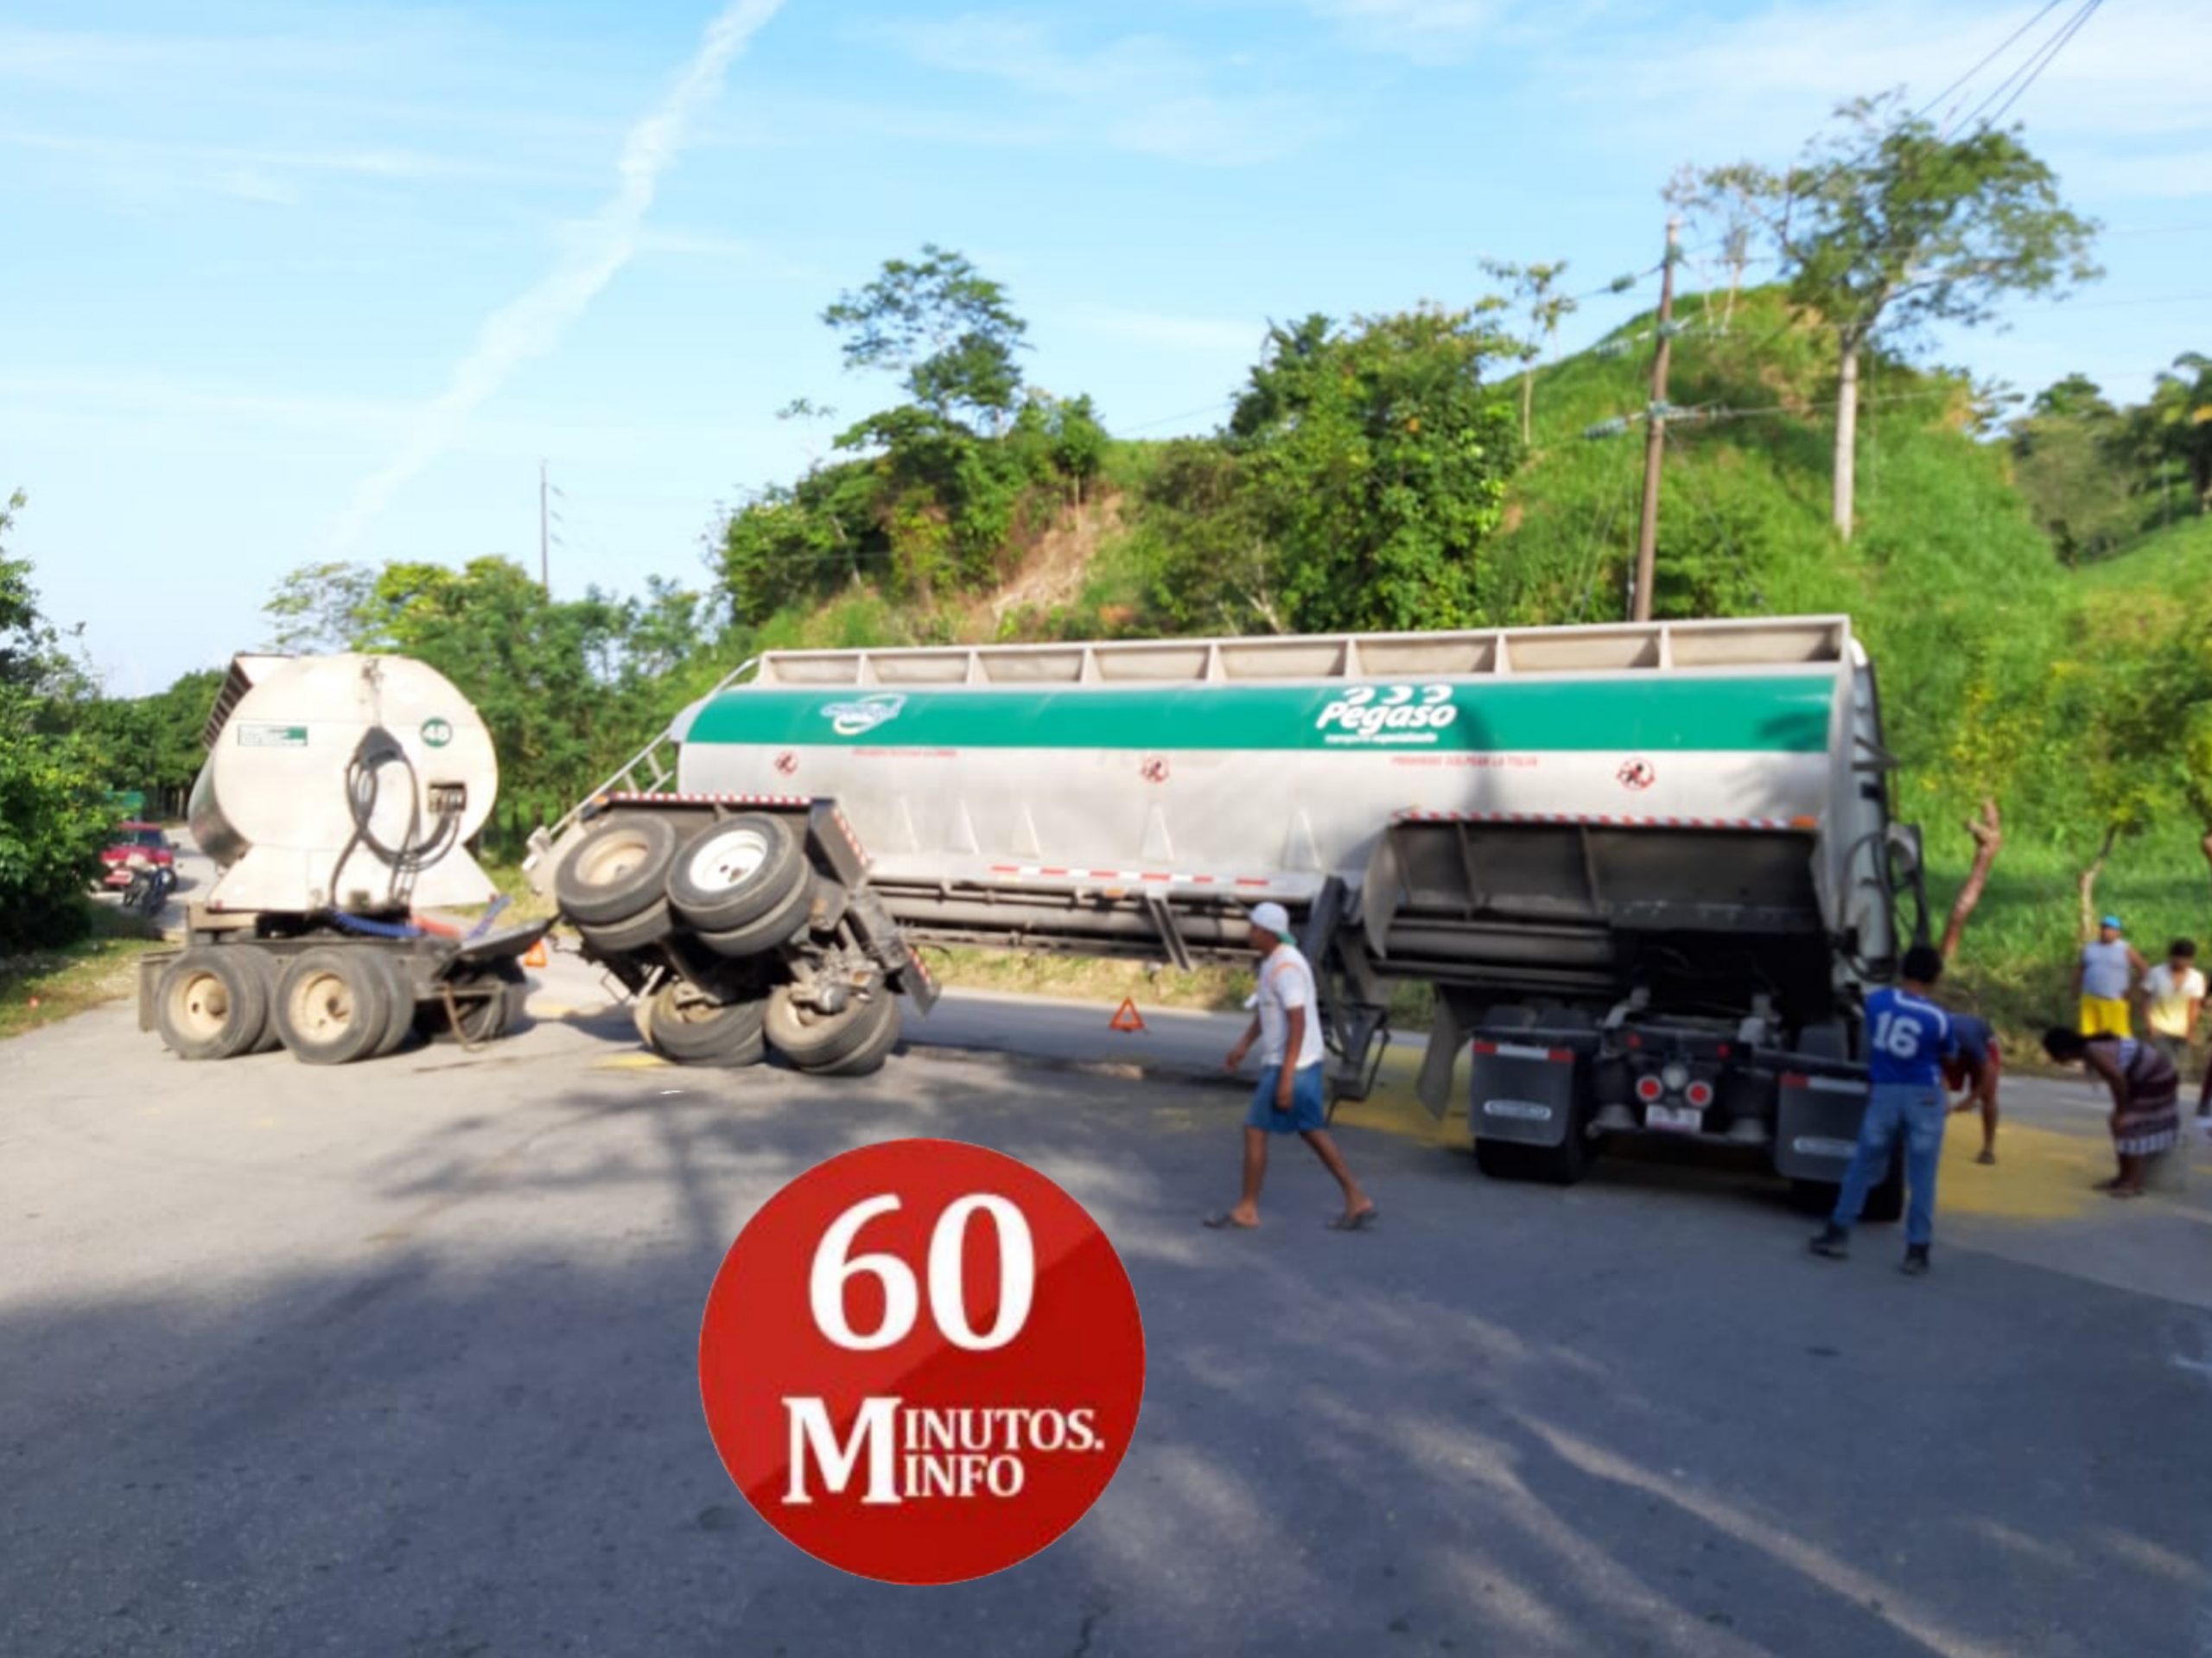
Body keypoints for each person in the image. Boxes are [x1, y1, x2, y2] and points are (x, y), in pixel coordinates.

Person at [1204, 902, 1376, 1233]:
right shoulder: (1272, 962)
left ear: (1268, 933)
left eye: (1254, 928)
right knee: (1311, 1130)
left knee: (1255, 1129)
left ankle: (1247, 1209)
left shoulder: (1287, 968)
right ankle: (1356, 1199)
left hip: (1292, 1064)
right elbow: (1266, 1011)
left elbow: (1297, 1022)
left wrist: (1286, 1077)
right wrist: (1243, 1045)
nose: (1249, 933)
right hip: (1293, 1063)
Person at [1809, 944, 1958, 1276]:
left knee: (1862, 1165)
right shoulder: (1938, 1018)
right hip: (1924, 1095)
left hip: (1885, 1091)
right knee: (1922, 1176)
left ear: (1903, 970)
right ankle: (1917, 1250)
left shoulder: (1878, 1003)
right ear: (1934, 977)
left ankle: (1838, 1233)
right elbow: (1947, 1055)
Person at [2042, 1026, 2181, 1198]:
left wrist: (2122, 1111)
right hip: (2145, 1077)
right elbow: (2117, 1079)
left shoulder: (2093, 1051)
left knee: (2130, 1125)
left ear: (2063, 1052)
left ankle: (2133, 1182)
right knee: (2118, 1123)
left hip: (2156, 1078)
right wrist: (2120, 1111)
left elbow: (2117, 1080)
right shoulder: (2090, 1049)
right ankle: (2123, 1176)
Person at [1943, 1011, 2002, 1166]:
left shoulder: (1971, 1043)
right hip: (1953, 1041)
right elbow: (1935, 1071)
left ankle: (1988, 1149)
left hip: (1983, 1045)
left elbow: (1989, 1073)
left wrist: (1970, 1100)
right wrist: (1944, 1097)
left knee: (1988, 1096)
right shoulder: (1933, 1039)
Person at [2139, 938, 2205, 1074]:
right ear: (2171, 957)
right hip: (2159, 1029)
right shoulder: (2156, 973)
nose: (2181, 963)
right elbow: (2145, 1000)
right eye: (2178, 958)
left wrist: (2191, 1030)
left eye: (2185, 959)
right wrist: (2149, 1026)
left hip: (2182, 1031)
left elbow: (2194, 1006)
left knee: (2181, 1070)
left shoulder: (2196, 978)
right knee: (2165, 1066)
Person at [2075, 916, 2146, 1038]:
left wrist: (2134, 990)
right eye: (2104, 928)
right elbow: (2080, 970)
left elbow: (2144, 969)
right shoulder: (2090, 948)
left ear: (2118, 932)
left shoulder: (2125, 949)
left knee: (2118, 1038)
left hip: (2114, 1001)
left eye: (2110, 929)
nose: (2106, 931)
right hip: (2090, 1001)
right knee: (2089, 1037)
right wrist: (2074, 990)